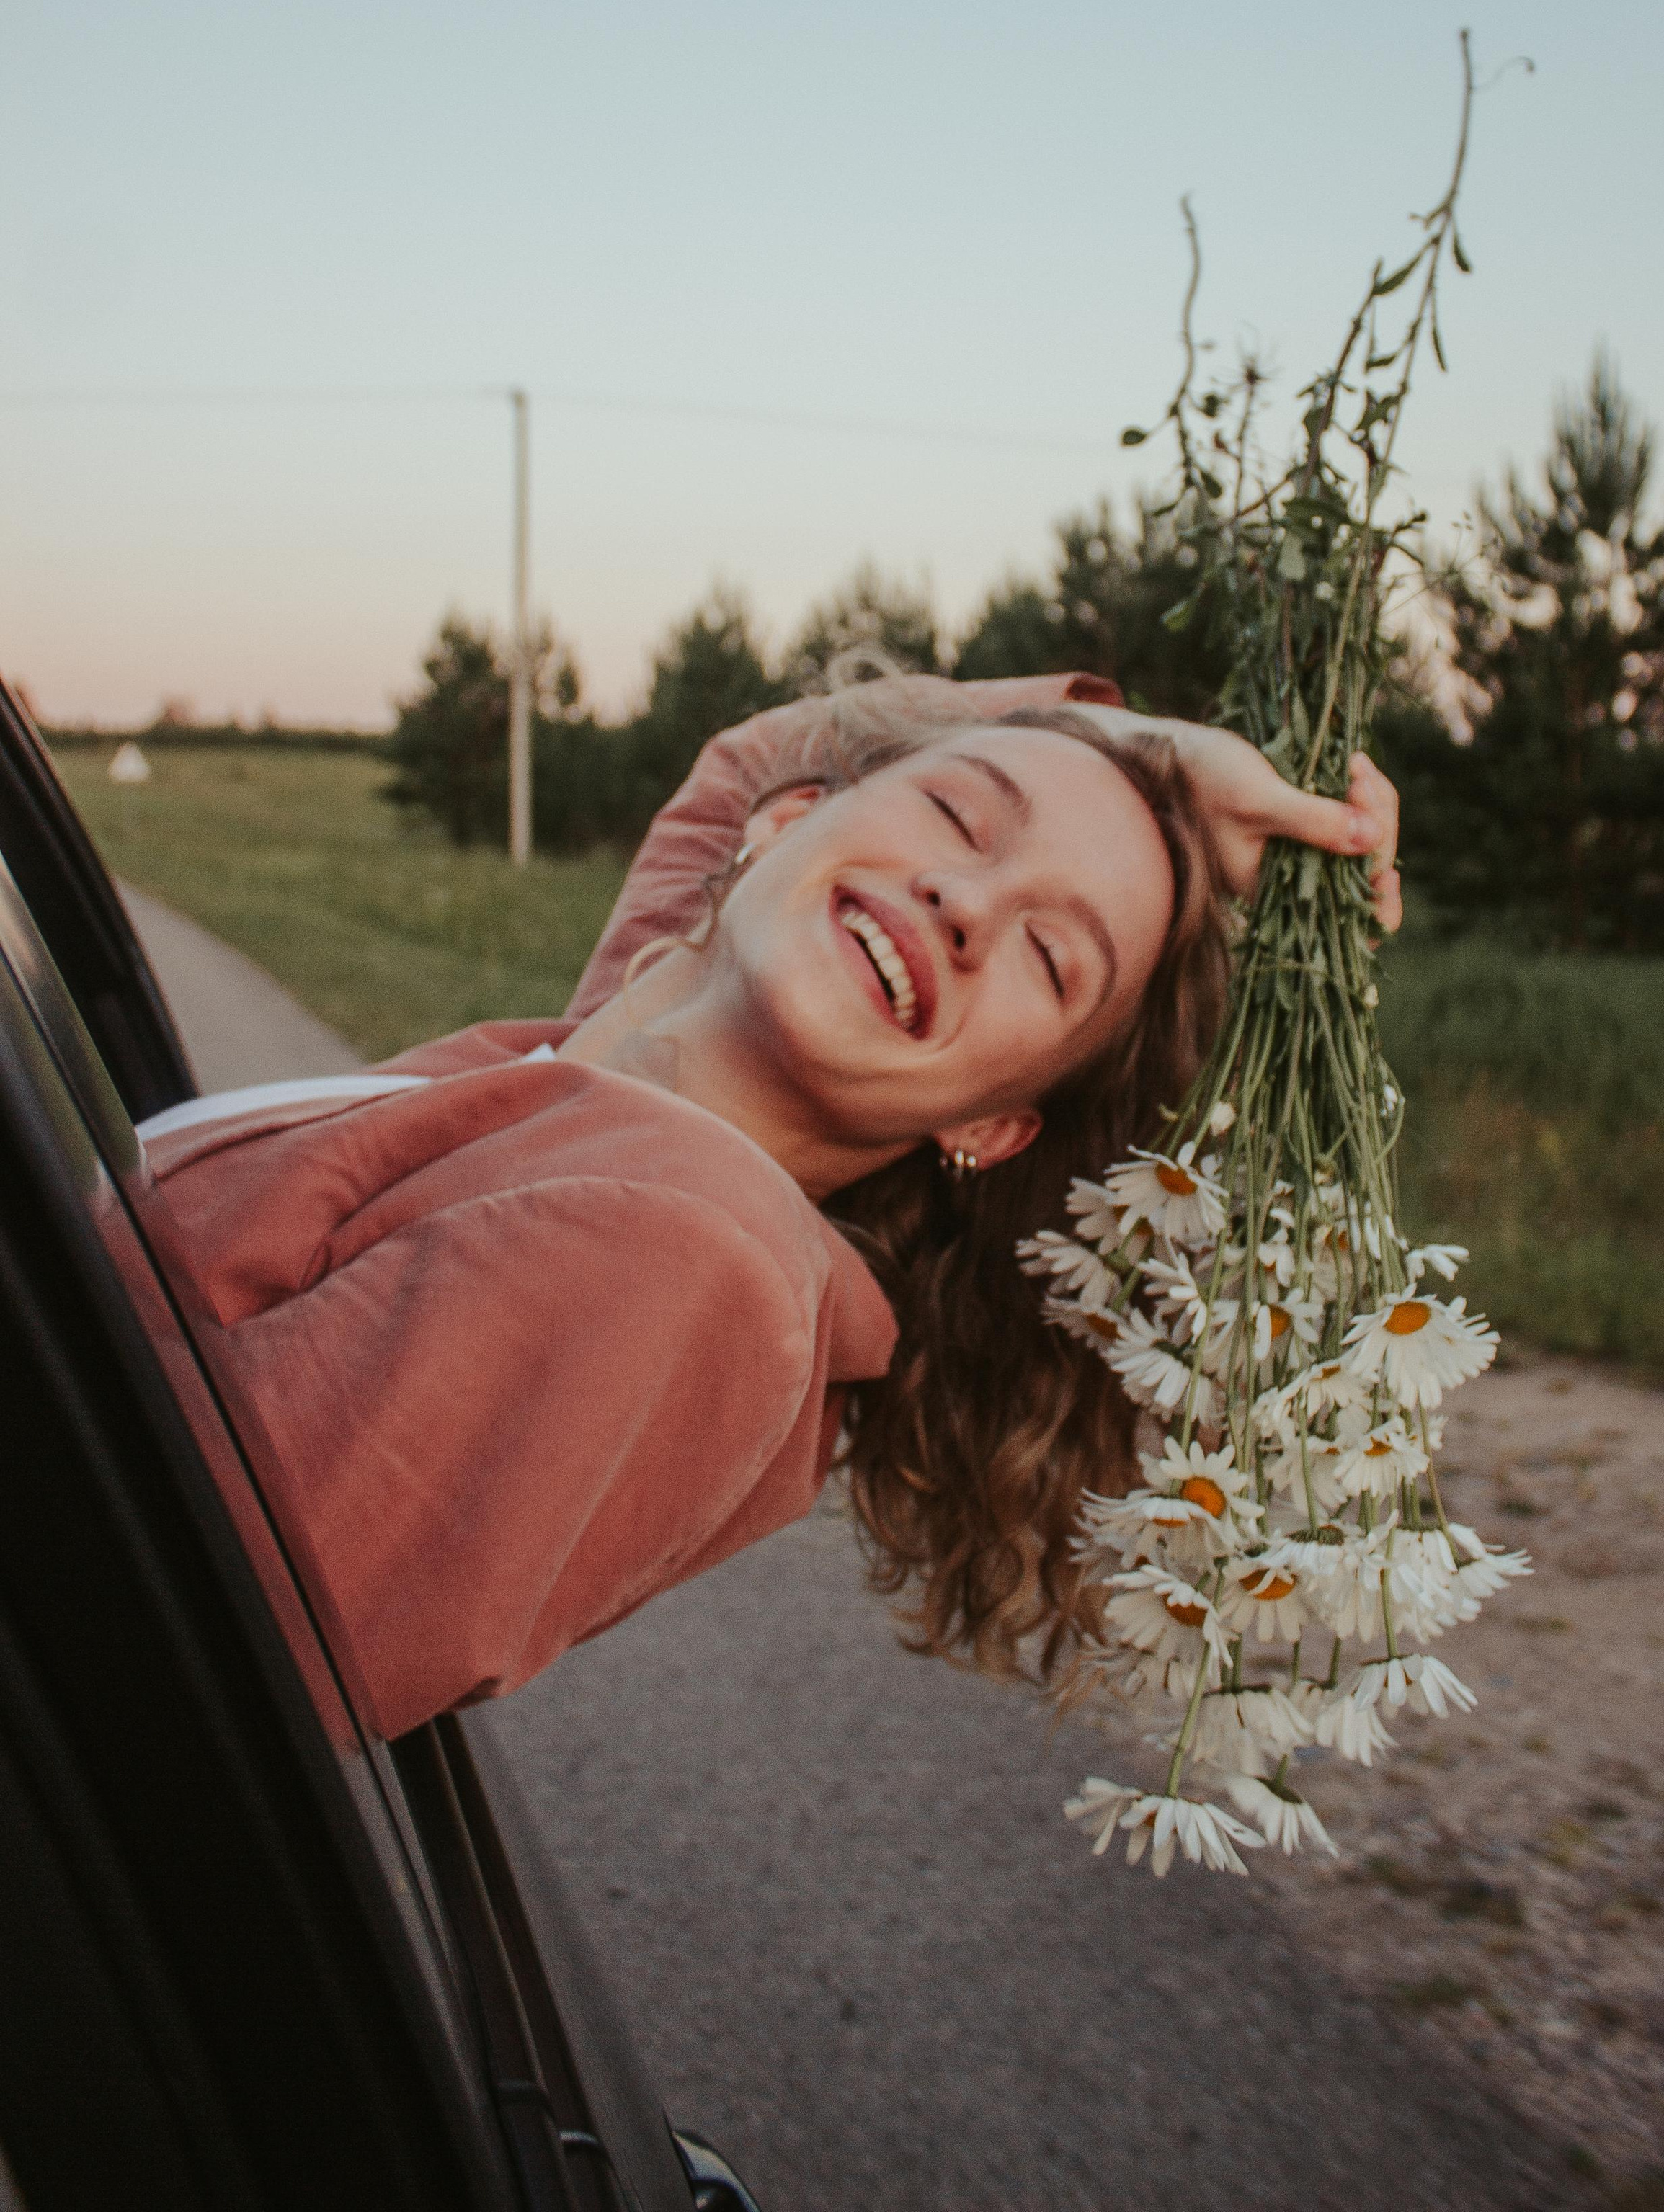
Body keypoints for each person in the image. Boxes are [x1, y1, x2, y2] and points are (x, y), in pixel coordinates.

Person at [148, 671, 1400, 1739]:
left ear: (990, 1125)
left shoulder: (682, 1239)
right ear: (782, 828)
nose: (969, 904)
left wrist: (1133, 761)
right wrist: (1153, 752)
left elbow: (147, 1630)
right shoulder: (593, 1064)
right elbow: (756, 756)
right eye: (958, 815)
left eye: (1048, 956)